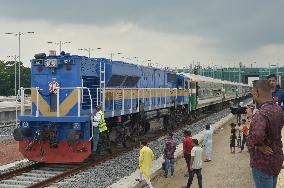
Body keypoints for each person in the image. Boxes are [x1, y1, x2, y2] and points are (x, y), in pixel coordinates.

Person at [247, 80, 284, 188]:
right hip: (276, 158)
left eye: (253, 91)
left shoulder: (261, 113)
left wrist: (259, 145)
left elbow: (257, 136)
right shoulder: (278, 109)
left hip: (263, 162)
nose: (253, 94)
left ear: (257, 92)